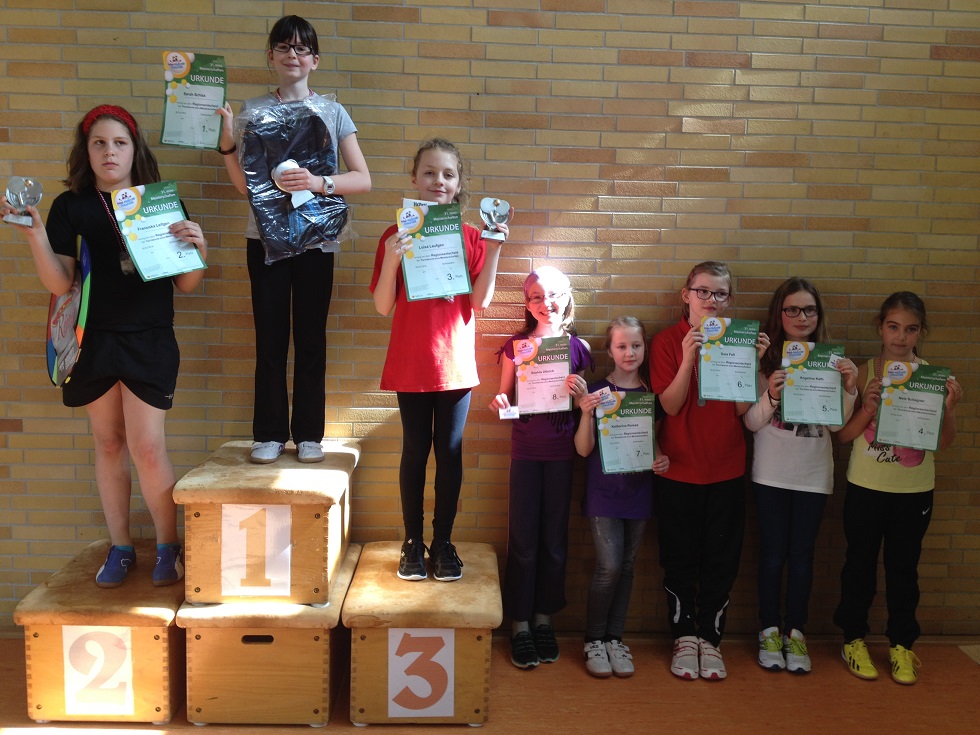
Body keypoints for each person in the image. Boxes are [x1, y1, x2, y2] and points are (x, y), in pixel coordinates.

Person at [0, 105, 208, 587]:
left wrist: (201, 249)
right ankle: (120, 547)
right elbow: (60, 283)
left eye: (119, 143)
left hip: (149, 339)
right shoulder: (70, 206)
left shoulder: (160, 203)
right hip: (90, 341)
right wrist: (35, 236)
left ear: (135, 150)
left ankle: (167, 546)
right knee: (109, 442)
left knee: (147, 447)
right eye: (99, 143)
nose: (109, 152)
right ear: (86, 150)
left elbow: (187, 283)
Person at [217, 14, 371, 465]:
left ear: (315, 60)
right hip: (264, 240)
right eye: (284, 47)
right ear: (270, 56)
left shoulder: (333, 112)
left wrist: (318, 182)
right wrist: (227, 143)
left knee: (310, 338)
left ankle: (309, 435)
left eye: (302, 48)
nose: (293, 55)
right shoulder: (253, 111)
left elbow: (362, 179)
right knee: (269, 338)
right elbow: (246, 187)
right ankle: (268, 433)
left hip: (316, 241)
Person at [371, 138, 508, 582]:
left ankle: (444, 541)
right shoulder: (395, 234)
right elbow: (382, 306)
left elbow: (481, 301)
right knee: (415, 450)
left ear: (459, 184)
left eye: (448, 174)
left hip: (453, 364)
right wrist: (392, 260)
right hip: (411, 361)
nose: (438, 181)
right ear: (414, 178)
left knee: (450, 454)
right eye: (429, 172)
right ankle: (413, 543)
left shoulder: (471, 237)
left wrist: (495, 249)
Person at [833, 292, 962, 685]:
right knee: (859, 565)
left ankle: (902, 644)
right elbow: (843, 436)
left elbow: (943, 443)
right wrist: (868, 407)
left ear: (920, 332)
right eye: (893, 327)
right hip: (866, 486)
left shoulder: (934, 378)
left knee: (904, 569)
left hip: (914, 490)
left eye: (910, 329)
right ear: (880, 328)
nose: (901, 337)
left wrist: (949, 409)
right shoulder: (864, 371)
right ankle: (853, 639)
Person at [650, 260, 769, 681]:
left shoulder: (737, 340)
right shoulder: (667, 341)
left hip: (726, 470)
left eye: (720, 293)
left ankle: (710, 639)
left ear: (729, 299)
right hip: (678, 472)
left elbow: (740, 410)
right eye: (702, 291)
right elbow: (669, 406)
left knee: (721, 562)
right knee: (679, 559)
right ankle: (684, 637)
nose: (711, 300)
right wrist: (689, 358)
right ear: (686, 295)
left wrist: (752, 363)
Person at [743, 278, 858, 674]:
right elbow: (750, 423)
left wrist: (849, 388)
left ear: (818, 315)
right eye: (792, 309)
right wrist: (772, 395)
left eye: (809, 309)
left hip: (813, 474)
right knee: (772, 555)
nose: (801, 317)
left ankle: (796, 633)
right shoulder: (764, 360)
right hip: (771, 473)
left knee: (802, 558)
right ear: (779, 314)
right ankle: (768, 631)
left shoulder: (832, 362)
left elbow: (838, 425)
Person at [490, 265, 592, 670]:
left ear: (567, 297)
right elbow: (504, 401)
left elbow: (584, 408)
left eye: (553, 295)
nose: (545, 303)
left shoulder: (578, 348)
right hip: (526, 453)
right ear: (527, 304)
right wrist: (500, 404)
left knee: (554, 540)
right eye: (536, 297)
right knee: (523, 541)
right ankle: (519, 623)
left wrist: (581, 394)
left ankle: (544, 619)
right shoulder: (517, 347)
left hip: (563, 453)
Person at [574, 316, 669, 678]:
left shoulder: (651, 394)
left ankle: (615, 638)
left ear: (645, 349)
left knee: (627, 566)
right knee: (609, 566)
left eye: (636, 345)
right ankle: (594, 640)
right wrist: (586, 413)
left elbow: (653, 441)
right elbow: (583, 450)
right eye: (622, 346)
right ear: (610, 350)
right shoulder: (598, 391)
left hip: (639, 491)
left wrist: (661, 459)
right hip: (604, 493)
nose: (630, 352)